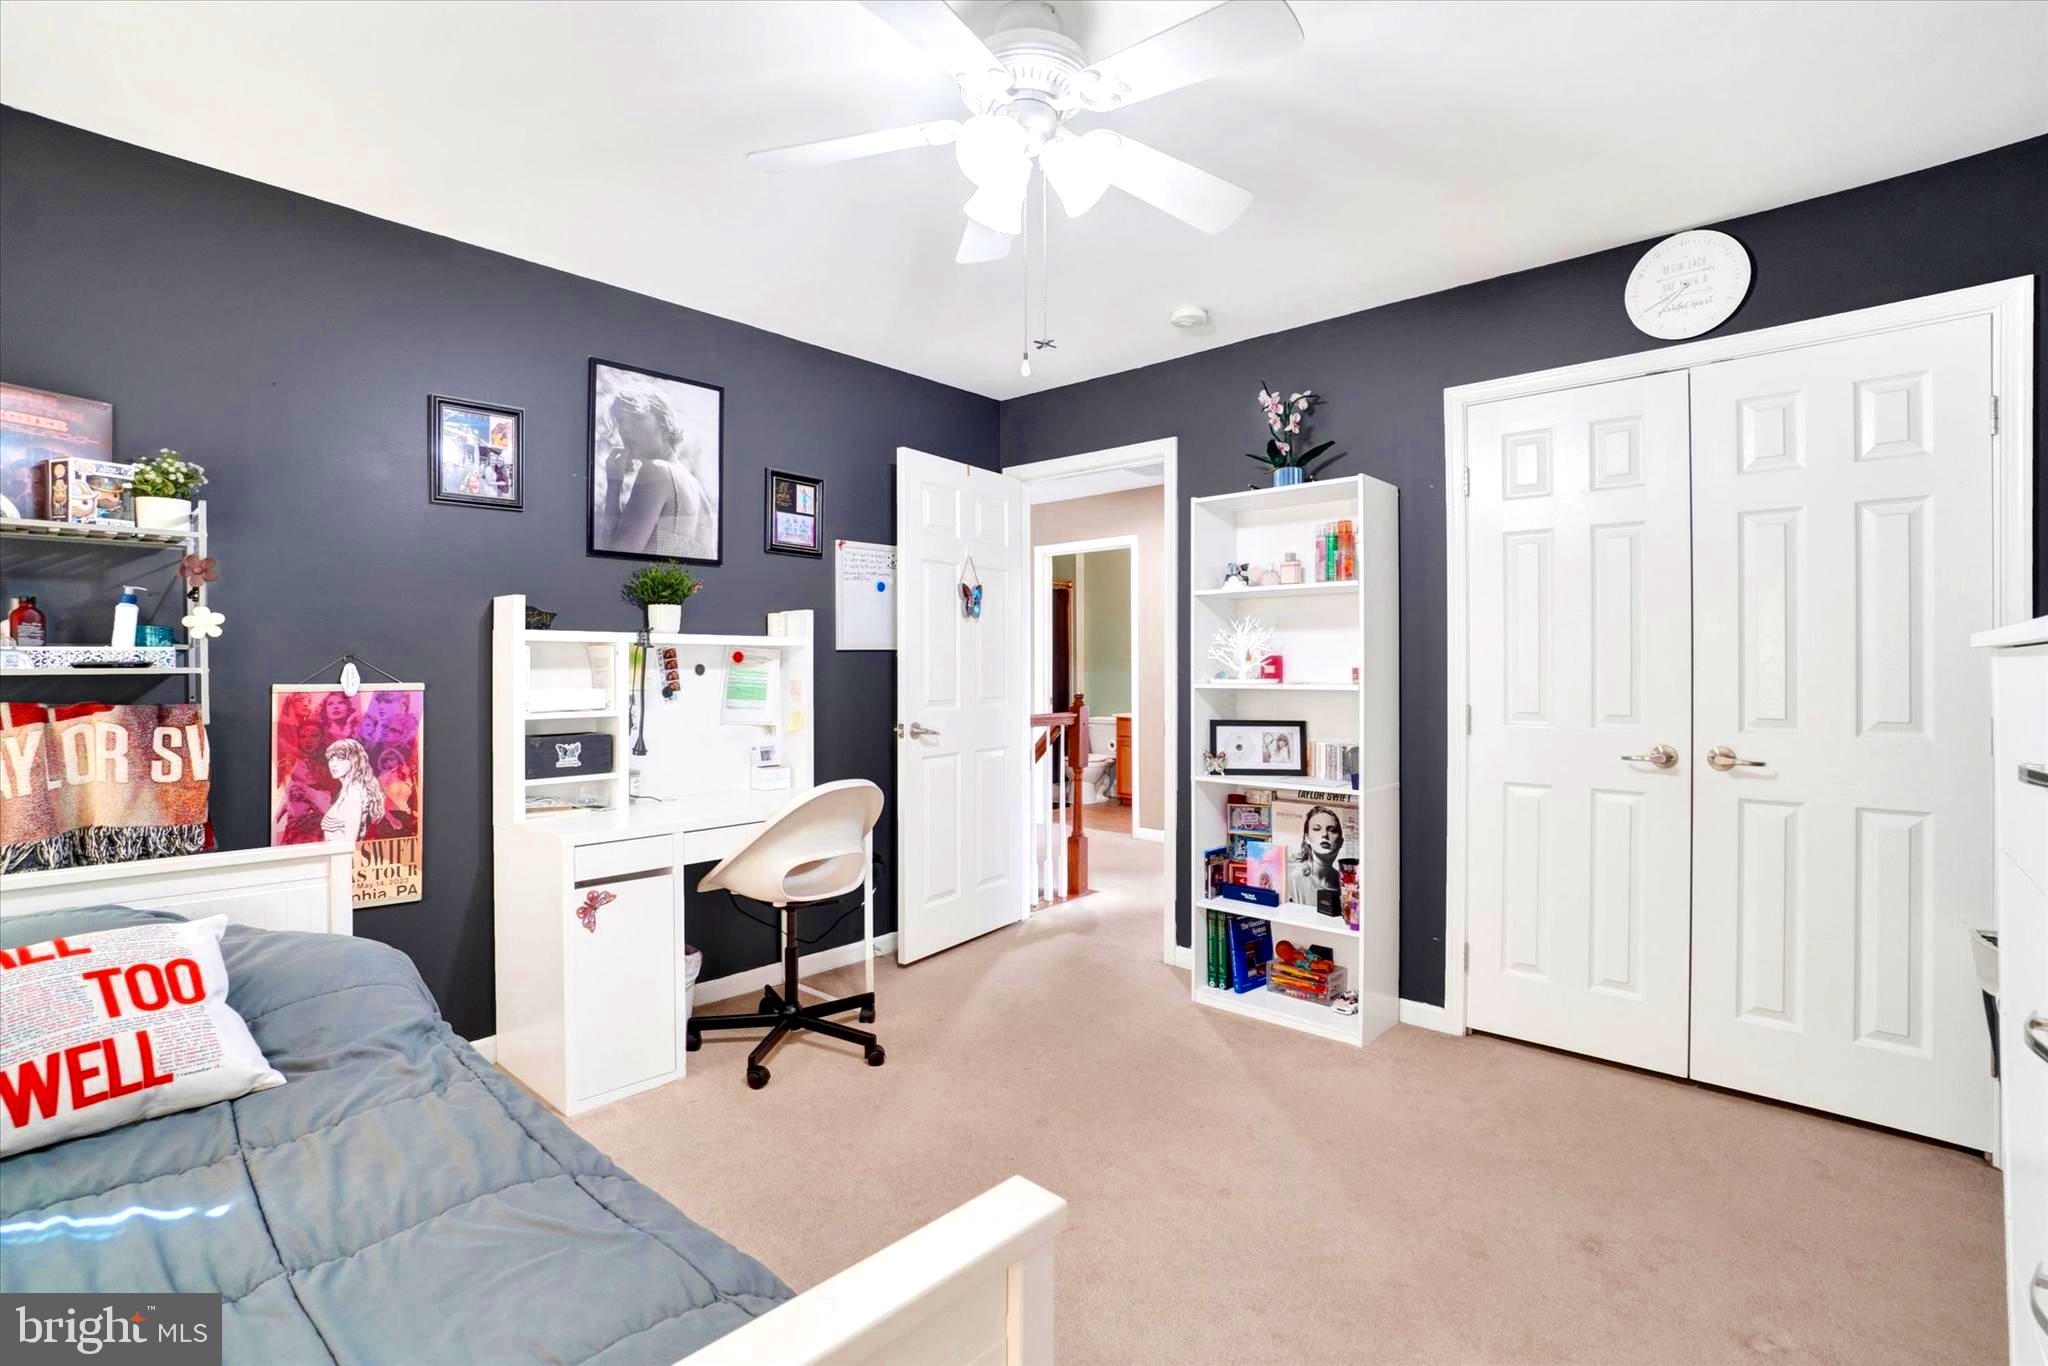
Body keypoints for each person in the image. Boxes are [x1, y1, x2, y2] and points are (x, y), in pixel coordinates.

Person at [597, 381, 714, 558]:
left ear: (664, 421)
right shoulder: (697, 490)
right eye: (621, 421)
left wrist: (614, 485)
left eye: (637, 417)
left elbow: (616, 558)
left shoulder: (656, 471)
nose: (626, 429)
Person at [320, 739, 386, 843]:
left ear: (354, 760)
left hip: (342, 857)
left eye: (341, 758)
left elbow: (350, 842)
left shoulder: (354, 791)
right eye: (331, 759)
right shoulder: (346, 790)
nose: (334, 764)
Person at [1286, 804, 1347, 905]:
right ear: (1307, 838)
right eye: (1317, 829)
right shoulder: (1293, 877)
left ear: (1340, 841)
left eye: (1332, 830)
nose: (1324, 834)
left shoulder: (1345, 884)